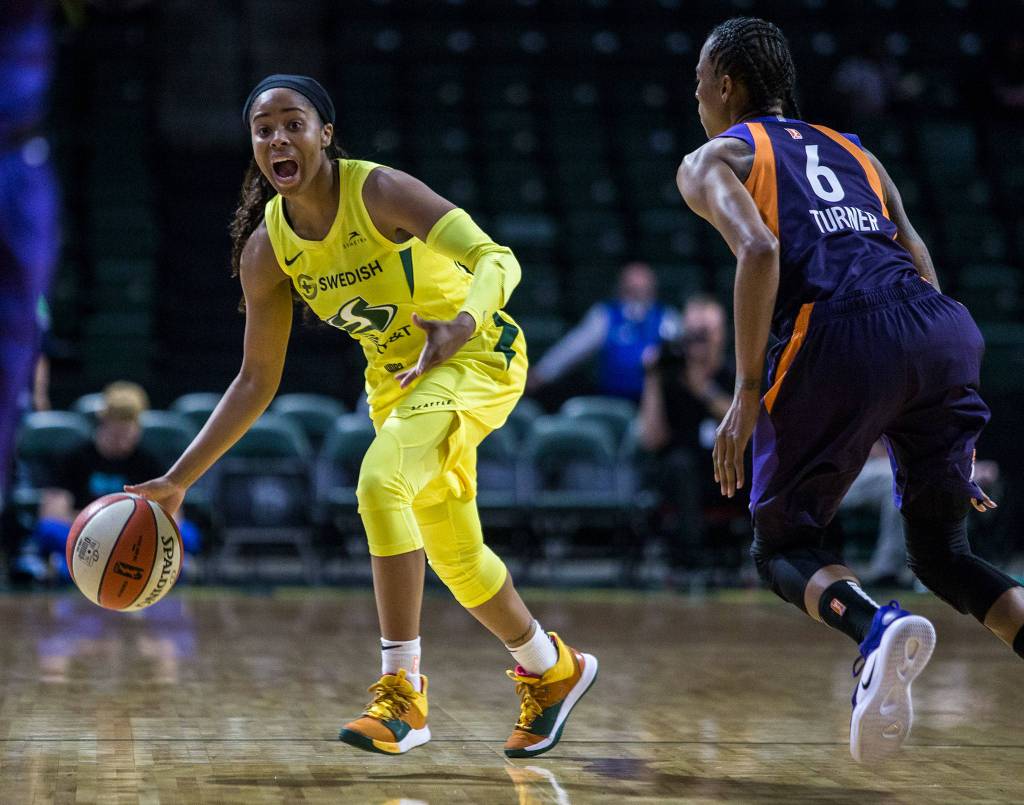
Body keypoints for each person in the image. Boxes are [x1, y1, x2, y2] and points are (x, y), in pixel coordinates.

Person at [127, 75, 596, 758]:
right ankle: (551, 669)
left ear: (325, 134)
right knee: (457, 557)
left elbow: (497, 258)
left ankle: (402, 693)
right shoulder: (267, 248)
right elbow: (256, 380)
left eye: (293, 123)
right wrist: (177, 480)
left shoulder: (379, 191)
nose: (278, 138)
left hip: (476, 355)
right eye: (263, 129)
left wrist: (462, 323)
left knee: (380, 484)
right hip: (398, 386)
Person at [677, 17, 1022, 764]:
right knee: (944, 551)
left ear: (725, 86)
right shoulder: (855, 148)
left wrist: (745, 390)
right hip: (940, 327)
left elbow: (759, 248)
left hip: (839, 332)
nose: (695, 96)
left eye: (698, 82)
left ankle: (875, 628)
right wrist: (937, 393)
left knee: (782, 547)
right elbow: (915, 249)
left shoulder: (713, 157)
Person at [24, 381, 200, 580]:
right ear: (103, 423)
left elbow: (174, 518)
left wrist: (129, 531)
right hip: (88, 536)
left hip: (135, 539)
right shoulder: (75, 458)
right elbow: (53, 515)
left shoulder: (148, 462)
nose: (122, 442)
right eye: (116, 434)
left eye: (128, 434)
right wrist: (106, 526)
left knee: (188, 535)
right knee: (48, 531)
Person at [637, 294, 734, 570]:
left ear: (722, 334)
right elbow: (651, 439)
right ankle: (690, 561)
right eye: (692, 334)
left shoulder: (738, 374)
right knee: (680, 466)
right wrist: (652, 378)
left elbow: (748, 425)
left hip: (730, 473)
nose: (697, 342)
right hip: (684, 476)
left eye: (705, 333)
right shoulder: (669, 378)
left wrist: (702, 388)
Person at [527, 261, 677, 402]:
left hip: (655, 401)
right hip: (611, 398)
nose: (638, 297)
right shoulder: (605, 315)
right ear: (620, 289)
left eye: (644, 290)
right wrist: (541, 373)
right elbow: (572, 348)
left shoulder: (667, 318)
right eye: (631, 290)